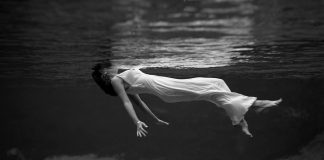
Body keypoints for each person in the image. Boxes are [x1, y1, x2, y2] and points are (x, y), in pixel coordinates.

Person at [92, 63, 282, 138]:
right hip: (167, 89)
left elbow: (140, 103)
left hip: (167, 86)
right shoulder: (117, 81)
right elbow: (127, 102)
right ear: (105, 74)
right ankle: (257, 105)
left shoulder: (122, 79)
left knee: (216, 83)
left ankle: (240, 119)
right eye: (110, 66)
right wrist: (136, 122)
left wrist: (155, 119)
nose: (114, 65)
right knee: (211, 90)